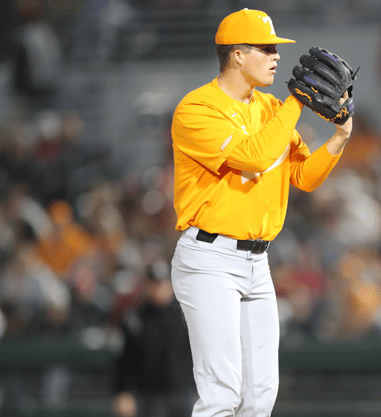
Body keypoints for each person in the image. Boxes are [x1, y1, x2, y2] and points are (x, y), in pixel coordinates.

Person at [169, 9, 354, 417]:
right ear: (237, 55)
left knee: (260, 395)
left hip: (257, 261)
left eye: (276, 49)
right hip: (209, 260)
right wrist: (295, 104)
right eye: (266, 48)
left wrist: (340, 137)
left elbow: (302, 177)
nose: (276, 56)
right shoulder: (197, 108)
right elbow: (253, 158)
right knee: (221, 393)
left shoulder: (271, 108)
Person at [112, 260, 196, 417]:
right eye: (155, 283)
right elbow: (124, 359)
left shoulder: (186, 315)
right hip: (150, 395)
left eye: (163, 283)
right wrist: (123, 391)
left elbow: (200, 354)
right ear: (147, 285)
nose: (160, 289)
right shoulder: (135, 318)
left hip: (185, 392)